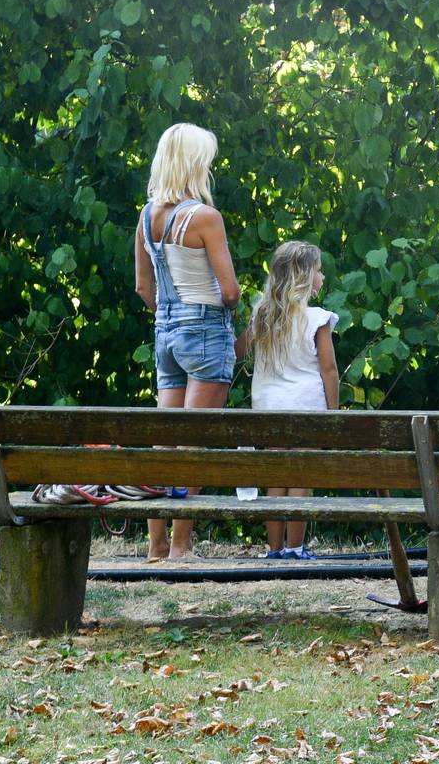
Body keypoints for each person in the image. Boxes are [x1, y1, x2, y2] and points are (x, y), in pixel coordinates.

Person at [132, 122, 243, 563]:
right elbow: (230, 291)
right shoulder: (205, 218)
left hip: (165, 331)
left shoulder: (145, 217)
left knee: (165, 441)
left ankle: (155, 546)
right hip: (205, 331)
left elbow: (144, 288)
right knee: (194, 443)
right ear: (196, 164)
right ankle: (181, 547)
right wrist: (214, 316)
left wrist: (171, 316)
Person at [241, 241, 339, 559]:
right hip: (307, 406)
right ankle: (296, 548)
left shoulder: (262, 316)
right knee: (301, 476)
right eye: (318, 270)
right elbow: (329, 369)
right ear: (304, 276)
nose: (321, 276)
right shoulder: (316, 319)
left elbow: (238, 352)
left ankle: (274, 548)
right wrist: (334, 413)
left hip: (269, 408)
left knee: (276, 477)